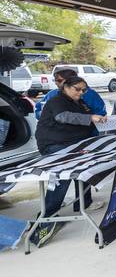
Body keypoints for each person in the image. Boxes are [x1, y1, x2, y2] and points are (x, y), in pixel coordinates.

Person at [30, 76, 108, 246]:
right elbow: (63, 117)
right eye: (77, 89)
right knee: (63, 176)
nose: (81, 93)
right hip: (54, 145)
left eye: (84, 90)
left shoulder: (79, 103)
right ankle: (47, 217)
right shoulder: (56, 101)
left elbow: (86, 118)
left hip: (74, 144)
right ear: (66, 87)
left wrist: (99, 120)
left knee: (86, 168)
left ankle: (82, 204)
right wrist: (90, 118)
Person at [35, 66, 107, 119]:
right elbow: (38, 110)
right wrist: (45, 114)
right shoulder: (52, 94)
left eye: (59, 80)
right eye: (55, 80)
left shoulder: (90, 94)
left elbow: (101, 114)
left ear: (71, 81)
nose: (56, 83)